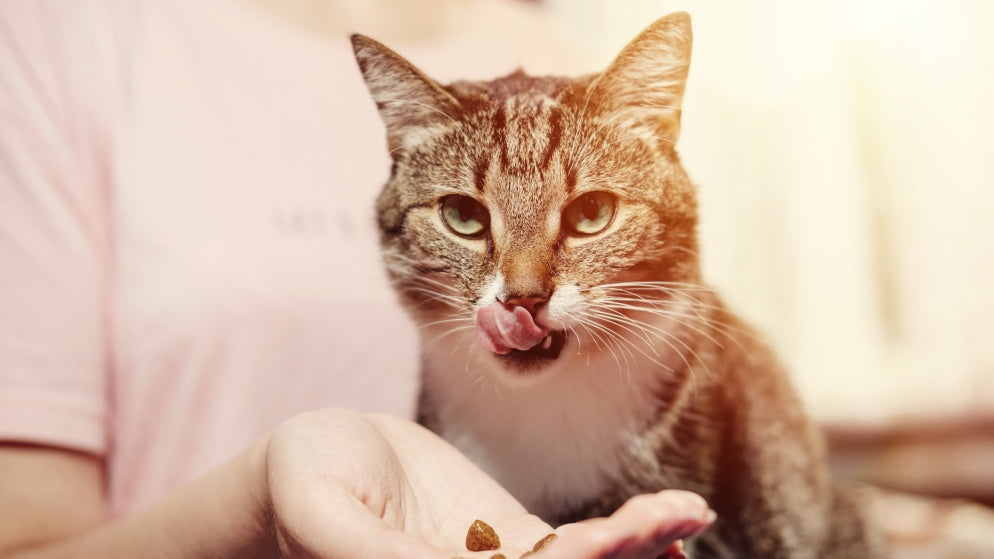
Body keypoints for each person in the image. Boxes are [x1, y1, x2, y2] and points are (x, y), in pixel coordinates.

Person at [0, 1, 715, 556]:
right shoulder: (56, 39)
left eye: (585, 212)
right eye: (466, 216)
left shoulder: (568, 57)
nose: (524, 284)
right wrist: (265, 502)